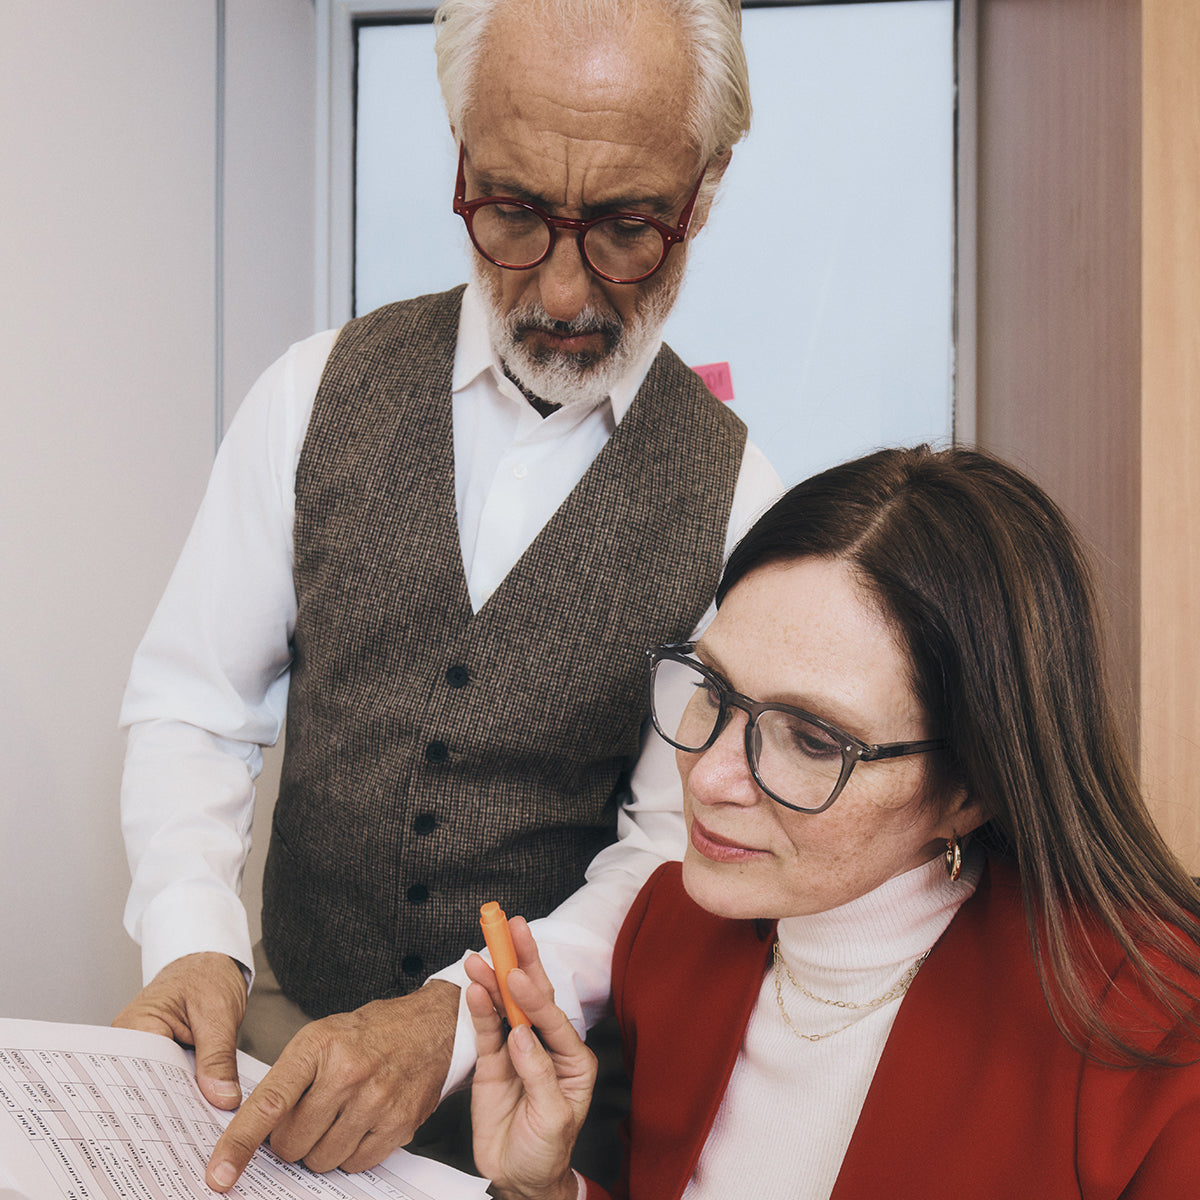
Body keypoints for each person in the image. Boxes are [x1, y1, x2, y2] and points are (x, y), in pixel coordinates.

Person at [112, 0, 779, 1189]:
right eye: (516, 212)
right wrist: (192, 938)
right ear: (463, 156)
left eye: (629, 230)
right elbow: (194, 703)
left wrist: (457, 1013)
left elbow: (668, 854)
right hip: (281, 1043)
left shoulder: (743, 507)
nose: (568, 291)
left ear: (708, 190)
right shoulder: (312, 393)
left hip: (545, 1118)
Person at [466, 444, 1200, 1199]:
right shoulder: (671, 932)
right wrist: (544, 1192)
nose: (710, 778)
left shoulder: (1157, 1037)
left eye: (814, 741)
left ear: (970, 790)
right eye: (713, 689)